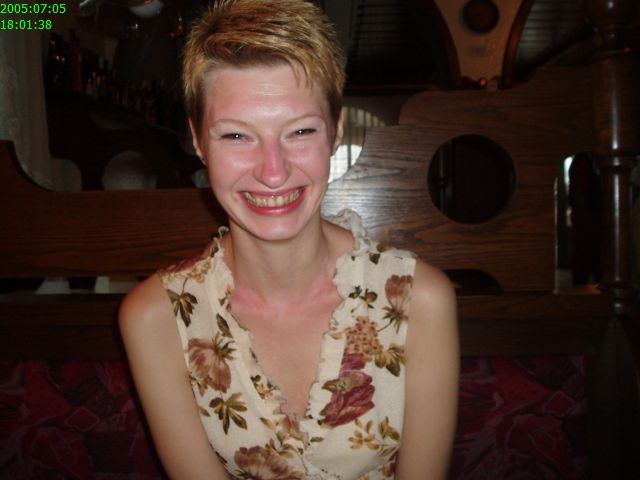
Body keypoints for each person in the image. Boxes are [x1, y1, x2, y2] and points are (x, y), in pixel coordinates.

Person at [118, 1, 459, 478]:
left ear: (336, 132)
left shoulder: (421, 300)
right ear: (198, 141)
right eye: (237, 136)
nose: (273, 173)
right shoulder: (156, 318)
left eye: (299, 131)